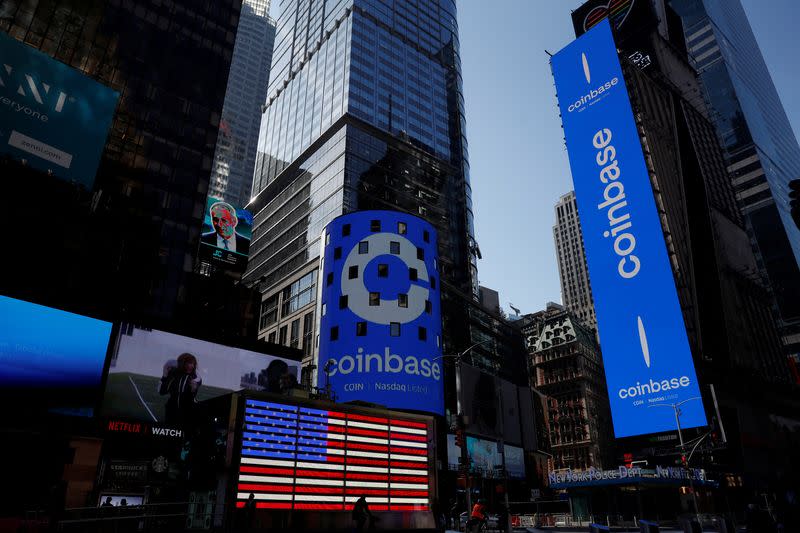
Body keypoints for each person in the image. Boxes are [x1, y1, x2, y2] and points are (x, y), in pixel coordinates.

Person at [160, 353, 202, 425]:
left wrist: (193, 389)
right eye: (189, 363)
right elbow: (162, 391)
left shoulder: (195, 378)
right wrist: (165, 375)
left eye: (193, 364)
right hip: (171, 409)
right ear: (183, 363)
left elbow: (191, 396)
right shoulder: (173, 374)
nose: (192, 366)